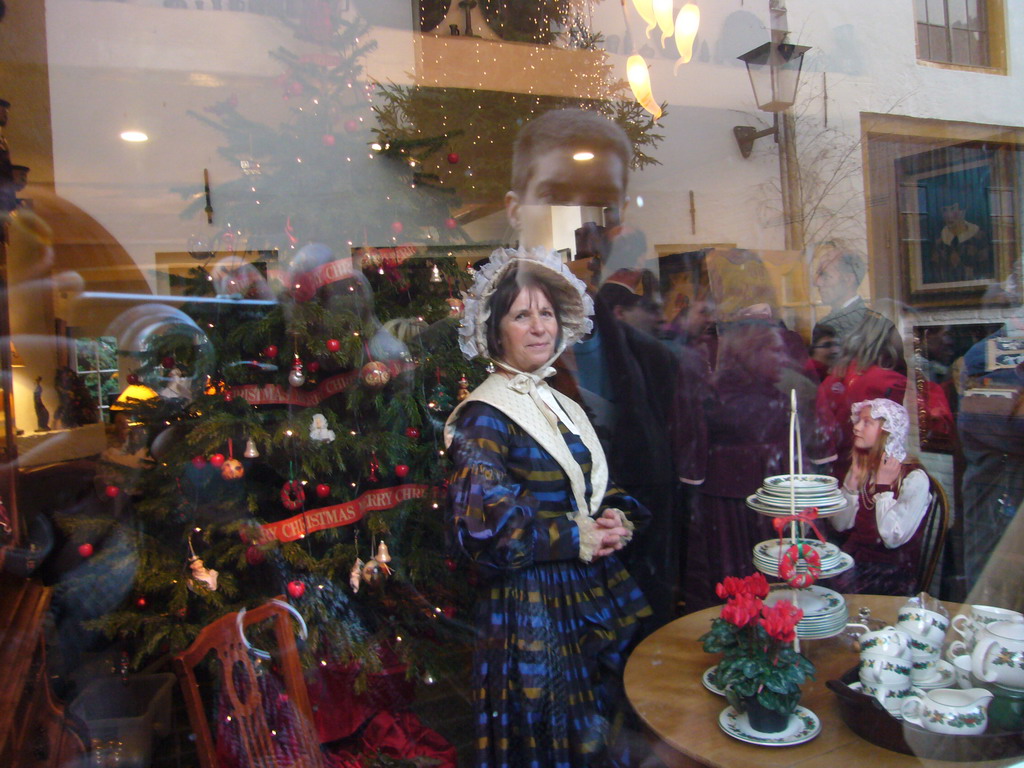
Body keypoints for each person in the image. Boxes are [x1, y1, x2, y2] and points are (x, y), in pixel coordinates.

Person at [445, 249, 650, 767]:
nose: (539, 327)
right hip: (530, 607)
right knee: (554, 738)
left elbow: (593, 488)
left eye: (546, 313)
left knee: (600, 733)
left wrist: (615, 516)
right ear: (496, 333)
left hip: (585, 586)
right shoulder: (483, 418)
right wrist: (575, 536)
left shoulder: (561, 401)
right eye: (521, 315)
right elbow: (481, 531)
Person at [504, 107, 706, 628]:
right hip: (528, 639)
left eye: (601, 206)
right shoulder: (457, 360)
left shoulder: (655, 363)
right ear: (514, 211)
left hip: (635, 628)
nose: (580, 226)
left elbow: (664, 512)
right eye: (554, 199)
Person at [831, 399, 931, 595]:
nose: (857, 427)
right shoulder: (867, 467)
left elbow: (892, 537)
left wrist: (883, 487)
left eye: (867, 422)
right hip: (857, 562)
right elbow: (840, 525)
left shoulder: (914, 478)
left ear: (887, 432)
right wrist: (850, 487)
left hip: (889, 575)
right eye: (858, 420)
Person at [812, 243, 894, 345]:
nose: (817, 282)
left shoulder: (872, 325)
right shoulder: (878, 323)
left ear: (848, 280)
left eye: (826, 276)